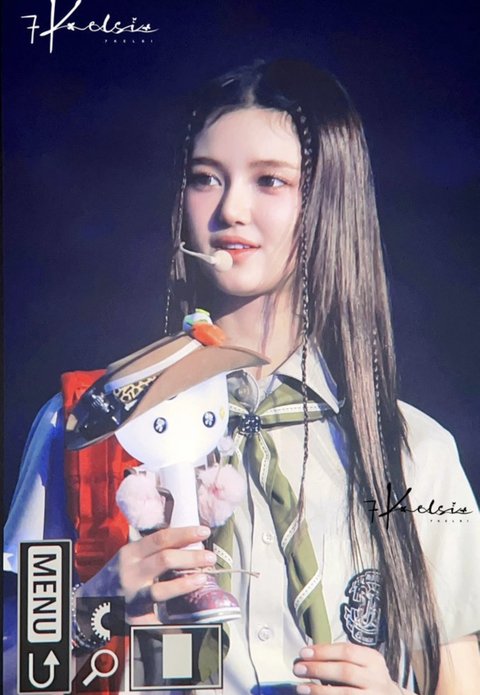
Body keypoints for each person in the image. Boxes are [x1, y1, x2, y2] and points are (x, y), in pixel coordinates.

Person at [4, 59, 480, 695]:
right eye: (205, 178)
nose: (230, 208)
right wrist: (99, 606)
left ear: (328, 201)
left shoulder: (416, 453)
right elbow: (16, 673)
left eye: (270, 181)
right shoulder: (88, 424)